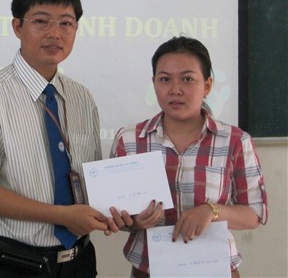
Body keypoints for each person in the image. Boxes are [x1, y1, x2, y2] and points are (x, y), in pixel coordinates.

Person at [0, 0, 122, 278]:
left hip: (79, 263)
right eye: (41, 21)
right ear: (17, 27)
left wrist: (126, 212)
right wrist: (61, 215)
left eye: (66, 23)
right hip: (14, 264)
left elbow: (91, 182)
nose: (54, 33)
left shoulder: (81, 98)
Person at [110, 35, 268, 278]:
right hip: (148, 271)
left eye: (187, 79)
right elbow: (115, 214)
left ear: (207, 85)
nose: (175, 90)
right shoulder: (129, 140)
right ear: (154, 83)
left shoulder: (235, 141)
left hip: (215, 270)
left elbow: (255, 213)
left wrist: (212, 211)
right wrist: (135, 221)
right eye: (165, 79)